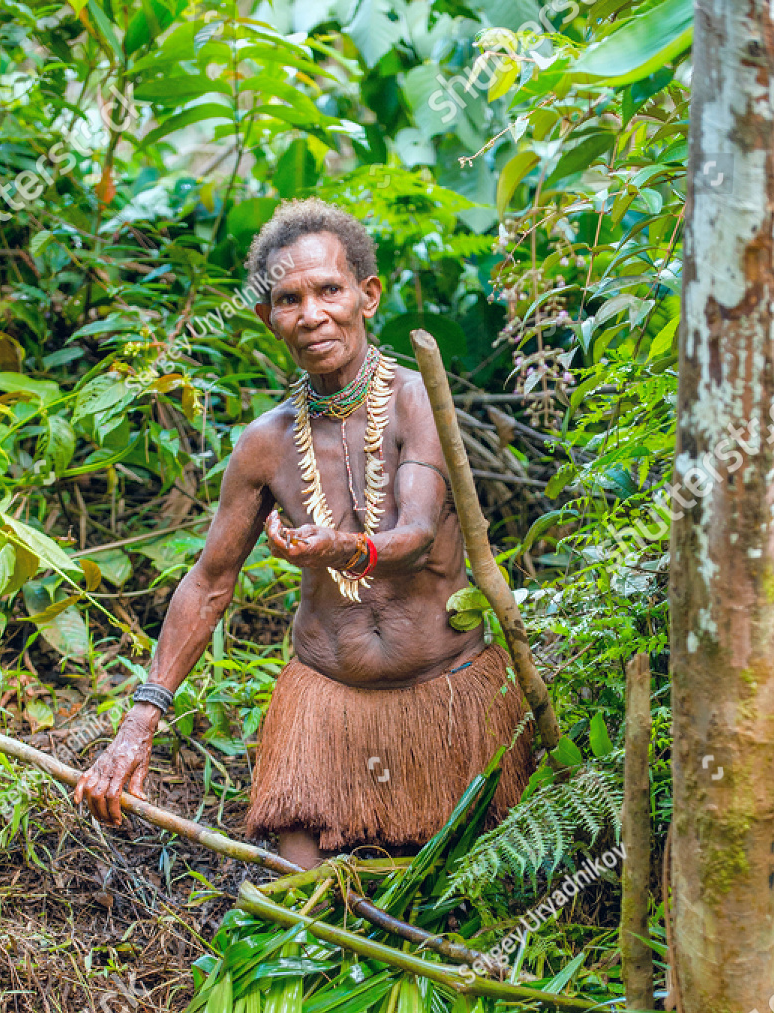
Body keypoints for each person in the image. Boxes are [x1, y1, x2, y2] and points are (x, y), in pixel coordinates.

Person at [74, 199, 532, 867]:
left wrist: (342, 548)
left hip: (449, 705)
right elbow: (208, 583)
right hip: (326, 710)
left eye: (329, 290)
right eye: (290, 298)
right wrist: (136, 726)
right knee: (291, 908)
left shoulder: (417, 400)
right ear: (269, 318)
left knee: (466, 897)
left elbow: (415, 534)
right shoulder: (265, 444)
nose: (312, 314)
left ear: (367, 295)